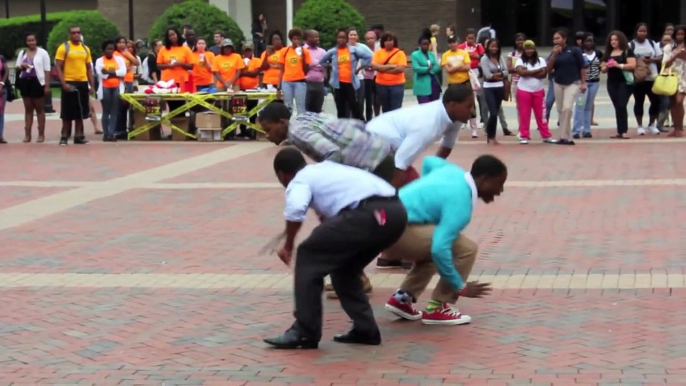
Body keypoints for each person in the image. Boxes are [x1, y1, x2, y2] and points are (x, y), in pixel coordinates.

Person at [262, 147, 407, 350]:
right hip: (395, 213)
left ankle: (305, 331)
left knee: (307, 254)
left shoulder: (300, 179)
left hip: (368, 213)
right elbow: (334, 218)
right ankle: (365, 330)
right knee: (344, 269)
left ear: (281, 174)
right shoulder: (325, 170)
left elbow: (295, 209)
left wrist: (288, 245)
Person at [383, 155, 503, 325]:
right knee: (466, 249)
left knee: (434, 245)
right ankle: (437, 307)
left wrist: (425, 195)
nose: (500, 190)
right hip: (395, 232)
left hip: (385, 223)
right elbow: (439, 248)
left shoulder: (452, 171)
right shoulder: (461, 205)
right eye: (499, 183)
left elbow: (429, 161)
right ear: (485, 180)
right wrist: (459, 286)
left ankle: (403, 298)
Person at [54, 25, 95, 146]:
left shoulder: (85, 49)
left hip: (82, 82)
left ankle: (79, 136)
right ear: (69, 35)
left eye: (78, 32)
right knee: (67, 112)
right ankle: (64, 136)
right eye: (73, 33)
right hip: (69, 82)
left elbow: (89, 68)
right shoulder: (64, 48)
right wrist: (63, 83)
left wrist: (92, 85)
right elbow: (58, 67)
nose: (76, 35)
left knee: (81, 111)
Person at [319, 28, 372, 119]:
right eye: (339, 37)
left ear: (347, 39)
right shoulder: (333, 51)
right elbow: (322, 62)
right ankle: (342, 127)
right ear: (337, 39)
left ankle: (361, 125)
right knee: (341, 107)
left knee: (354, 106)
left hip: (350, 82)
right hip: (337, 83)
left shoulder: (354, 50)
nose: (341, 40)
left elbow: (368, 56)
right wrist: (331, 65)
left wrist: (360, 68)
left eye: (343, 38)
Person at [547, 29, 587, 145]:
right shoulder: (554, 52)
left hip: (573, 82)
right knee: (560, 110)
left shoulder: (574, 50)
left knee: (567, 108)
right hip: (558, 83)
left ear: (564, 39)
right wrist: (554, 54)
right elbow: (548, 68)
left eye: (558, 38)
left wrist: (583, 83)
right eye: (554, 39)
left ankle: (564, 136)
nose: (556, 41)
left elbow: (582, 67)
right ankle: (566, 136)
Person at [515, 40, 554, 144]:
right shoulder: (520, 60)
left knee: (541, 114)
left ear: (534, 49)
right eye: (527, 49)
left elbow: (544, 74)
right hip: (523, 91)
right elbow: (521, 73)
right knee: (524, 114)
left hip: (538, 91)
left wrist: (528, 72)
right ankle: (524, 135)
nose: (529, 51)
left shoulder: (540, 60)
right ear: (524, 50)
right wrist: (536, 71)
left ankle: (546, 135)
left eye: (531, 48)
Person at [15, 32, 51, 143]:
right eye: (29, 40)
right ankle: (27, 134)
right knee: (28, 109)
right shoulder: (23, 53)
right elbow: (17, 67)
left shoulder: (43, 53)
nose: (31, 42)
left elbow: (47, 70)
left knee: (40, 109)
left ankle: (41, 134)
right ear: (26, 42)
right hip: (25, 82)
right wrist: (22, 66)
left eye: (33, 40)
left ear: (36, 41)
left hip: (37, 82)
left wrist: (46, 86)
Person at [601, 31, 636, 139]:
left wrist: (618, 65)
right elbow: (602, 69)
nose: (613, 42)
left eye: (616, 39)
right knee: (617, 106)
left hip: (624, 82)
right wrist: (606, 66)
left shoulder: (627, 51)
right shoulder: (607, 53)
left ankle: (624, 130)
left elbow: (632, 65)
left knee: (622, 104)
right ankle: (619, 131)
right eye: (612, 40)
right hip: (612, 82)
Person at [630, 23, 663, 135]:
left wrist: (652, 60)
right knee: (639, 101)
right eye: (640, 31)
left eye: (644, 31)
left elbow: (660, 57)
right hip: (638, 78)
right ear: (636, 32)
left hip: (652, 77)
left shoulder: (652, 43)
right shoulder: (631, 45)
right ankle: (640, 126)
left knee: (655, 101)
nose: (643, 33)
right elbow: (628, 59)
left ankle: (652, 124)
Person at [441, 36, 474, 137]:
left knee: (470, 104)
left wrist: (455, 67)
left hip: (464, 81)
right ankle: (451, 129)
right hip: (453, 83)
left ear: (458, 43)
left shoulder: (464, 53)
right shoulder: (445, 55)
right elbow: (448, 70)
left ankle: (474, 128)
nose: (452, 44)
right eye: (450, 43)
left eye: (454, 42)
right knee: (452, 105)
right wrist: (460, 66)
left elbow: (467, 67)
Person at [95, 40, 126, 142]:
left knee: (114, 111)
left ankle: (112, 133)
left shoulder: (119, 59)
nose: (110, 51)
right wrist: (114, 73)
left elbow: (123, 72)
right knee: (106, 110)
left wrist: (109, 72)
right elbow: (101, 74)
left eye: (112, 49)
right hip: (105, 87)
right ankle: (106, 133)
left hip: (117, 87)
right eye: (108, 49)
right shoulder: (100, 61)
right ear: (104, 50)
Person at [573, 34, 603, 139]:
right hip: (582, 83)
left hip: (594, 82)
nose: (589, 43)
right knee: (580, 105)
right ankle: (576, 130)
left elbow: (603, 63)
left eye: (591, 41)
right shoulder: (579, 53)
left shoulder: (598, 53)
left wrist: (602, 66)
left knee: (588, 107)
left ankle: (587, 130)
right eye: (587, 41)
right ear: (583, 42)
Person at [479, 39, 509, 145]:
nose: (494, 49)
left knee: (495, 113)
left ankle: (493, 137)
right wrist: (498, 75)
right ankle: (490, 135)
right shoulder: (484, 59)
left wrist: (496, 75)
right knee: (493, 112)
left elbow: (506, 72)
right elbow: (487, 75)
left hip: (500, 88)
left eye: (496, 47)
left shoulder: (500, 58)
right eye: (492, 46)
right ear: (488, 47)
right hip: (489, 88)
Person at [372, 32, 408, 112]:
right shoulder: (378, 52)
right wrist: (390, 66)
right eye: (386, 40)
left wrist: (382, 69)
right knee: (385, 107)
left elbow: (400, 69)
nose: (388, 42)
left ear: (394, 41)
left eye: (390, 40)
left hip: (397, 85)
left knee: (396, 108)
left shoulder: (400, 53)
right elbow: (375, 66)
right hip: (381, 85)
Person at [280, 28, 311, 115]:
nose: (296, 41)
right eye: (294, 39)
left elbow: (307, 68)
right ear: (291, 39)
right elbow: (282, 69)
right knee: (288, 105)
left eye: (298, 39)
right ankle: (287, 125)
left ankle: (300, 126)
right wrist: (279, 85)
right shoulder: (285, 51)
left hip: (300, 81)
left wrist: (302, 55)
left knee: (301, 106)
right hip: (286, 81)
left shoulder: (305, 51)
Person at [411, 32, 442, 104]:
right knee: (424, 106)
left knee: (434, 105)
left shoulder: (431, 54)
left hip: (433, 83)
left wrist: (430, 69)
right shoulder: (415, 55)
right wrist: (427, 69)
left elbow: (436, 67)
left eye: (427, 44)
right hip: (422, 84)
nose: (425, 46)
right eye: (423, 44)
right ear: (419, 45)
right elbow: (416, 68)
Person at [303, 29, 327, 113]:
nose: (318, 39)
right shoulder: (302, 50)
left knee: (317, 110)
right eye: (315, 37)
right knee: (306, 109)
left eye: (318, 37)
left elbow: (324, 65)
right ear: (308, 38)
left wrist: (313, 64)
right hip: (306, 83)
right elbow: (305, 65)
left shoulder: (322, 52)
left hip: (319, 84)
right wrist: (317, 64)